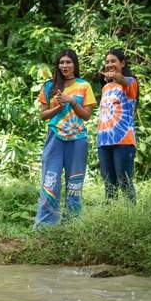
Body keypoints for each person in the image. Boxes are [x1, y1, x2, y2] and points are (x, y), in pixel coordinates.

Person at [35, 49, 95, 227]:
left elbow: (86, 116)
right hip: (55, 138)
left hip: (77, 140)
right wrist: (58, 108)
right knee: (50, 181)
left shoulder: (84, 86)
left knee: (74, 184)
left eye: (68, 62)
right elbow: (43, 115)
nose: (64, 66)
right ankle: (44, 226)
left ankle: (72, 226)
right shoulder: (49, 86)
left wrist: (72, 101)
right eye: (61, 62)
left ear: (75, 64)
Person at [96, 48, 139, 202]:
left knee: (125, 183)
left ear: (122, 63)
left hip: (124, 141)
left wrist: (116, 76)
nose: (109, 64)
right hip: (104, 140)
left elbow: (124, 80)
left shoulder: (130, 82)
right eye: (107, 62)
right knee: (109, 186)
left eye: (113, 61)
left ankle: (132, 219)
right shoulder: (105, 87)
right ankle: (110, 221)